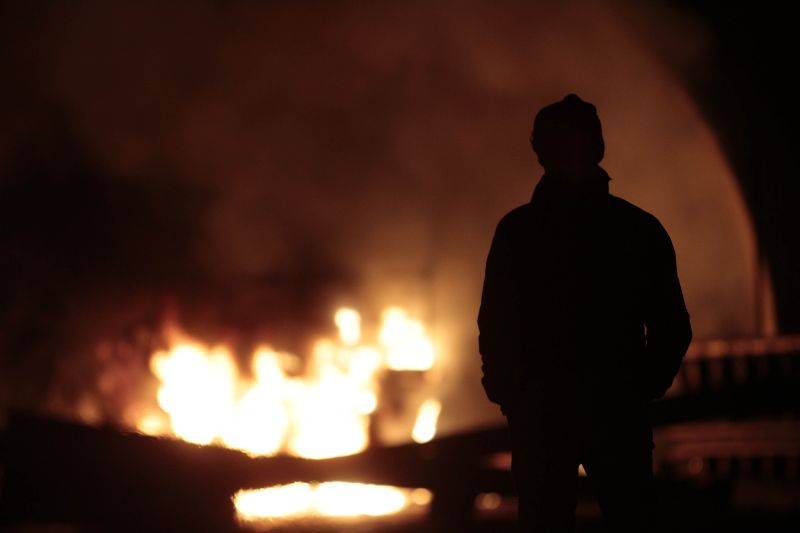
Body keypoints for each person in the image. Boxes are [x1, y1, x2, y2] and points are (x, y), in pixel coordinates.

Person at [477, 94, 692, 532]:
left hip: (544, 410)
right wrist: (639, 389)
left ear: (540, 152)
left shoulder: (519, 231)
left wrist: (512, 394)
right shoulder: (637, 229)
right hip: (614, 407)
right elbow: (672, 327)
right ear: (600, 149)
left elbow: (496, 324)